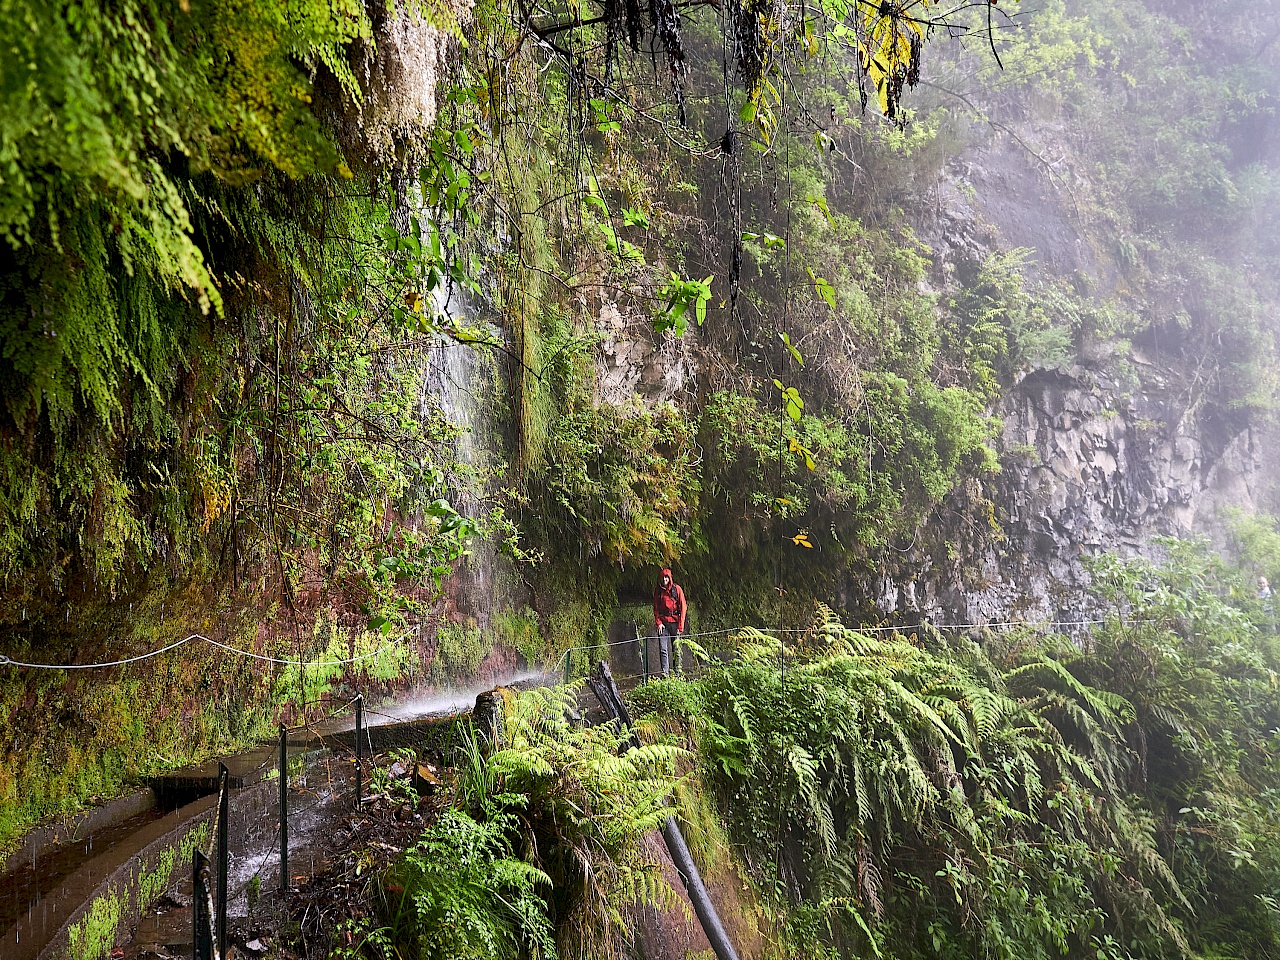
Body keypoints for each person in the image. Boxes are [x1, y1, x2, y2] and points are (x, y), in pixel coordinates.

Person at [653, 567, 686, 676]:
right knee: (663, 649)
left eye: (666, 577)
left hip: (675, 623)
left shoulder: (677, 590)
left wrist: (680, 626)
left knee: (676, 649)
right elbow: (656, 608)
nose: (664, 580)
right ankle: (665, 674)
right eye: (663, 578)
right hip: (663, 624)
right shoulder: (658, 591)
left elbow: (683, 607)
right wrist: (658, 623)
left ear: (670, 578)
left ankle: (677, 674)